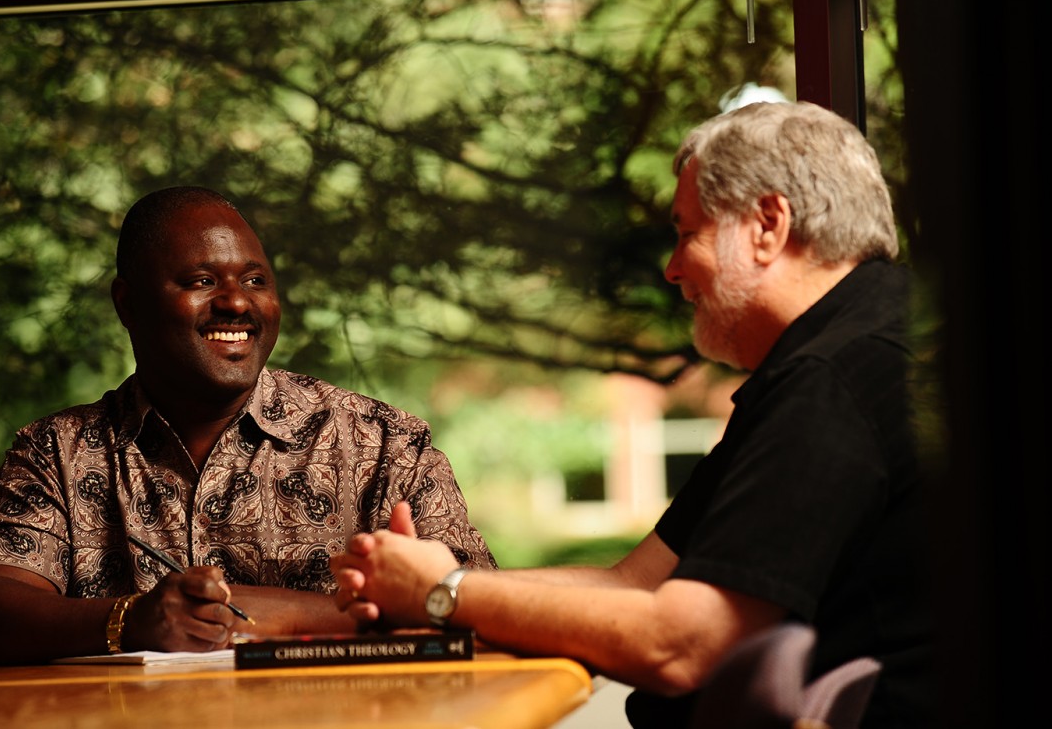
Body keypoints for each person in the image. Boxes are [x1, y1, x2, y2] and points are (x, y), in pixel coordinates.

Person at [330, 101, 932, 728]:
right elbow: (634, 585)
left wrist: (444, 594)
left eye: (686, 232)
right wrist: (427, 579)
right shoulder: (850, 350)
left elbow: (680, 646)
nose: (672, 269)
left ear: (767, 225)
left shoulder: (832, 379)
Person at [0, 186, 495, 666]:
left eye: (255, 279)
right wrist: (132, 620)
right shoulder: (59, 452)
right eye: (202, 280)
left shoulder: (382, 443)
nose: (235, 301)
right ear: (127, 304)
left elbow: (482, 613)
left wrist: (274, 614)